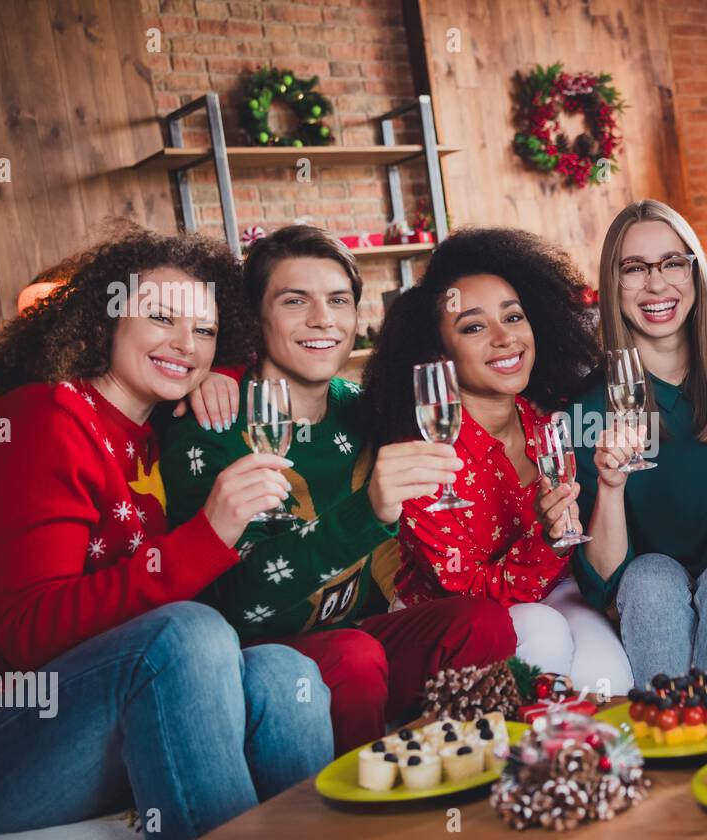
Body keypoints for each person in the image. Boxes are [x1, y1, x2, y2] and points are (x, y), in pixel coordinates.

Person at [0, 226, 332, 840]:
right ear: (106, 319)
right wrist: (205, 537)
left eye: (206, 332)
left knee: (283, 672)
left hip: (90, 711)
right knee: (185, 633)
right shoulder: (45, 419)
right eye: (160, 318)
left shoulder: (157, 434)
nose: (186, 346)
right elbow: (26, 631)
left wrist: (228, 377)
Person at [164, 225, 517, 754]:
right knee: (354, 655)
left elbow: (464, 386)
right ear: (254, 319)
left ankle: (465, 780)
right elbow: (234, 605)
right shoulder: (209, 426)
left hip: (361, 638)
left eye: (338, 301)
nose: (322, 319)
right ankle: (364, 817)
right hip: (263, 660)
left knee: (479, 622)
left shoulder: (362, 405)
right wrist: (367, 511)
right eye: (294, 301)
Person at [362, 227, 632, 693]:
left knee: (606, 679)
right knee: (542, 638)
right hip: (463, 620)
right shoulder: (425, 457)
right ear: (437, 355)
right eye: (473, 326)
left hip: (553, 590)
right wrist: (549, 541)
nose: (505, 338)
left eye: (514, 316)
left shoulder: (545, 423)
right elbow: (467, 600)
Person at [572, 200, 707, 689]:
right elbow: (602, 579)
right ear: (614, 284)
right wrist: (609, 486)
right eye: (634, 268)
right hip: (650, 587)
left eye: (672, 262)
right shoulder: (585, 409)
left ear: (694, 271)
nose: (656, 283)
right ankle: (670, 739)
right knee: (648, 575)